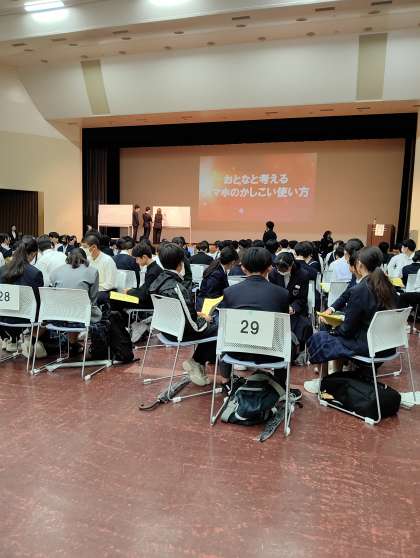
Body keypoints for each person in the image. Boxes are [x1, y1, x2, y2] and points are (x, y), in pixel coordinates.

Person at [218, 247, 300, 397]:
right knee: (289, 337)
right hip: (271, 354)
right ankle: (280, 386)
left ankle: (226, 382)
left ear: (243, 268)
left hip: (236, 352)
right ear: (269, 267)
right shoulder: (281, 294)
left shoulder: (230, 292)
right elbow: (282, 329)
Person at [307, 246, 397, 369]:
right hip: (388, 345)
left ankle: (327, 377)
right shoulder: (389, 286)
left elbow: (346, 330)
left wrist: (332, 327)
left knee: (319, 337)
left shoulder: (360, 290)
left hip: (368, 346)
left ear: (359, 265)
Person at [149, 242, 218, 386]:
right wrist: (206, 320)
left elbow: (178, 310)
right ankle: (196, 362)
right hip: (179, 332)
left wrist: (197, 314)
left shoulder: (157, 282)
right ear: (181, 264)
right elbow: (194, 326)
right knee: (219, 326)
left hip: (165, 329)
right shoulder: (177, 288)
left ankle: (198, 362)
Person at [0, 236, 46, 356]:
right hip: (26, 318)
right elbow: (38, 301)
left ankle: (10, 339)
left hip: (3, 318)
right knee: (45, 311)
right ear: (33, 253)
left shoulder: (2, 270)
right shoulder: (35, 273)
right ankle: (33, 342)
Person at [269, 252, 312, 359]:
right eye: (279, 269)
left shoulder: (303, 275)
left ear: (291, 265)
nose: (282, 271)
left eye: (284, 269)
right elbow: (272, 293)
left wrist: (293, 307)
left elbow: (302, 298)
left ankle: (294, 351)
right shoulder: (273, 273)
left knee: (301, 325)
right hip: (279, 308)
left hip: (296, 310)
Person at [50, 248, 102, 325]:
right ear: (85, 258)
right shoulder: (92, 271)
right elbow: (93, 298)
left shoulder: (56, 271)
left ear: (68, 257)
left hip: (59, 313)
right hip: (82, 314)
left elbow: (54, 293)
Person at [84, 234, 117, 305]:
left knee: (92, 298)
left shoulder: (108, 260)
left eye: (85, 247)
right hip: (92, 289)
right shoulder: (88, 260)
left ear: (94, 247)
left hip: (105, 291)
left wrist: (93, 289)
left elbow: (110, 284)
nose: (83, 250)